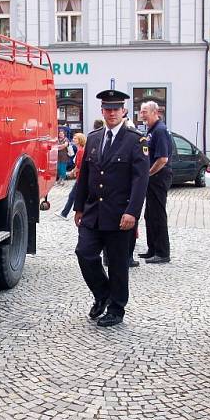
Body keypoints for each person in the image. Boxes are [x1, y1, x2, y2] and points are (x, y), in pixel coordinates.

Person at [73, 89, 150, 327]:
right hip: (94, 212)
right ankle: (103, 293)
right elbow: (84, 176)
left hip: (120, 214)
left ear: (124, 111)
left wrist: (132, 213)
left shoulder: (136, 140)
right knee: (84, 253)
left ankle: (117, 309)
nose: (112, 113)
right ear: (102, 111)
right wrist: (79, 207)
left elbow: (141, 180)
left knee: (117, 264)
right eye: (108, 109)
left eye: (116, 108)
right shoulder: (94, 138)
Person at [137, 100, 173, 264]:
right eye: (141, 111)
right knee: (149, 215)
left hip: (158, 177)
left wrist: (148, 174)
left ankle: (162, 252)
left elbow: (163, 159)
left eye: (145, 111)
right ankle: (152, 249)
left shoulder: (160, 130)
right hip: (152, 178)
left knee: (157, 215)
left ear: (154, 112)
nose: (142, 114)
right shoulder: (151, 130)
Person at [55, 132, 87, 219]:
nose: (73, 140)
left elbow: (79, 165)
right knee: (75, 196)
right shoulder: (80, 150)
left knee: (72, 196)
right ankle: (65, 213)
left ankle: (64, 213)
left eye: (75, 138)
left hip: (80, 178)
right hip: (79, 177)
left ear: (80, 140)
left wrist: (72, 172)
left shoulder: (80, 151)